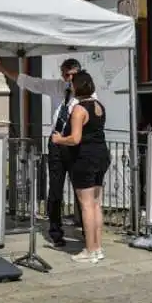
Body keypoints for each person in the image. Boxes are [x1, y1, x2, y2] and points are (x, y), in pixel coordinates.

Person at [0, 56, 84, 247]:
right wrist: (2, 69)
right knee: (55, 189)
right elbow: (29, 82)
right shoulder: (57, 86)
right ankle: (55, 231)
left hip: (75, 143)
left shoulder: (86, 92)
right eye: (65, 75)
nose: (68, 79)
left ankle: (84, 227)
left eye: (72, 75)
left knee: (81, 189)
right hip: (57, 142)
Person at [52, 71, 110, 263]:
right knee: (96, 204)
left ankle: (90, 249)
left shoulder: (79, 109)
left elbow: (75, 138)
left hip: (84, 159)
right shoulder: (99, 106)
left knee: (86, 205)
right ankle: (98, 247)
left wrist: (60, 139)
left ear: (77, 87)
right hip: (101, 155)